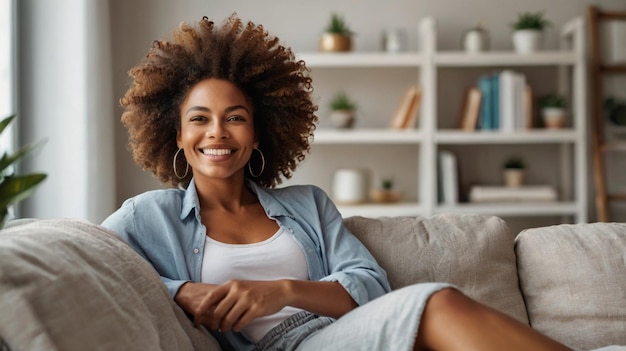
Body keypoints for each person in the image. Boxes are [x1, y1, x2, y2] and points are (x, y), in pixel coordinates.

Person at [102, 14, 571, 351]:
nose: (218, 133)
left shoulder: (307, 204)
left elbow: (368, 283)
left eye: (236, 118)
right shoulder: (149, 216)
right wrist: (180, 291)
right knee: (438, 302)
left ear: (259, 133)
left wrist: (282, 291)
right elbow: (101, 270)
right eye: (199, 119)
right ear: (177, 134)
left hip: (338, 331)